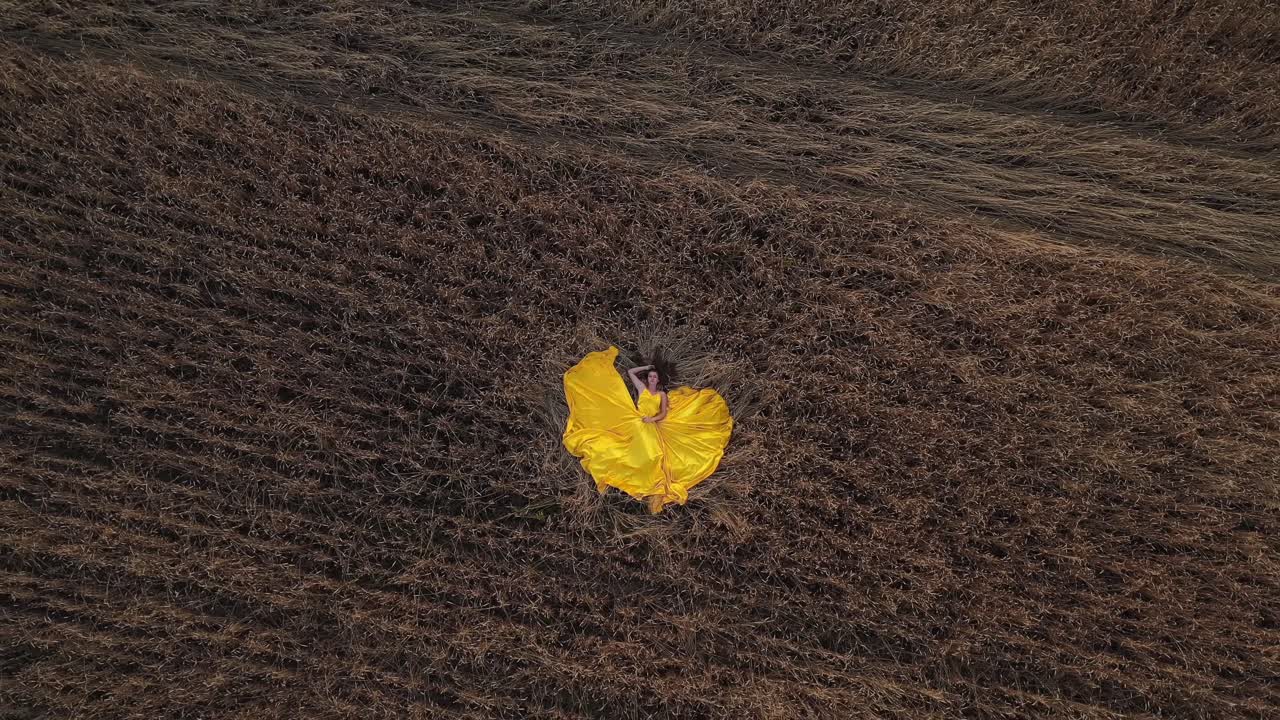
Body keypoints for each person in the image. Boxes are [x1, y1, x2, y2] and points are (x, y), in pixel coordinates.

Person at [562, 346, 733, 513]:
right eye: (650, 376)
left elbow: (664, 413)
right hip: (636, 421)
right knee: (621, 442)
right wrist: (647, 367)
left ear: (658, 380)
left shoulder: (661, 395)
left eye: (654, 377)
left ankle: (650, 481)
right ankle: (635, 476)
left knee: (653, 454)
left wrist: (652, 419)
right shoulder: (642, 389)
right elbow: (630, 373)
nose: (652, 379)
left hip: (650, 424)